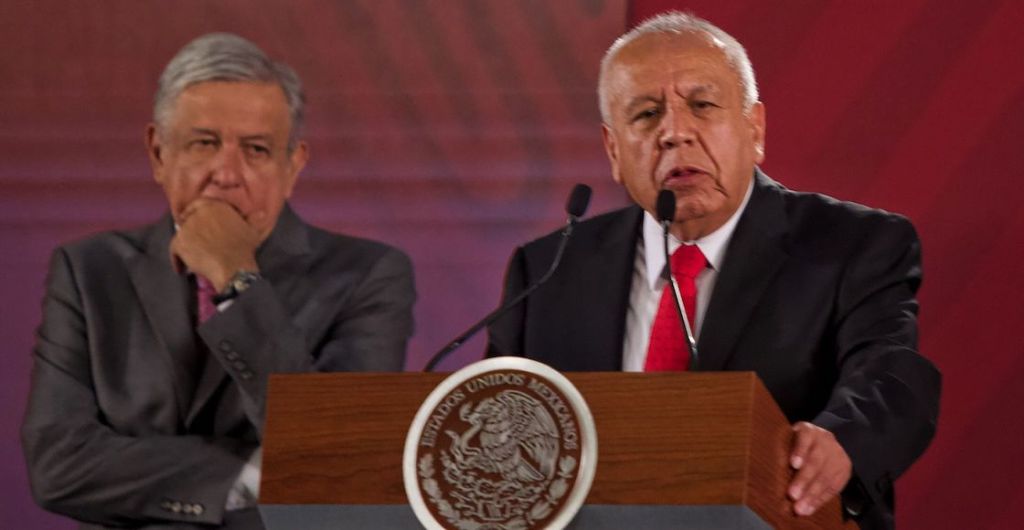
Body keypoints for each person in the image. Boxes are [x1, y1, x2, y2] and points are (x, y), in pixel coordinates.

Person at [487, 11, 939, 530]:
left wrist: (841, 440)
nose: (676, 133)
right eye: (647, 114)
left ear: (755, 128)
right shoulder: (548, 270)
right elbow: (496, 412)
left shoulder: (852, 245)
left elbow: (891, 376)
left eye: (702, 105)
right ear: (613, 151)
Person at [21, 33, 415, 529]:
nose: (226, 174)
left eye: (255, 150)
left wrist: (236, 279)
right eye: (204, 144)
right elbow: (58, 466)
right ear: (158, 153)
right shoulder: (88, 270)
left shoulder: (368, 275)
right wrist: (255, 472)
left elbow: (337, 457)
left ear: (293, 167)